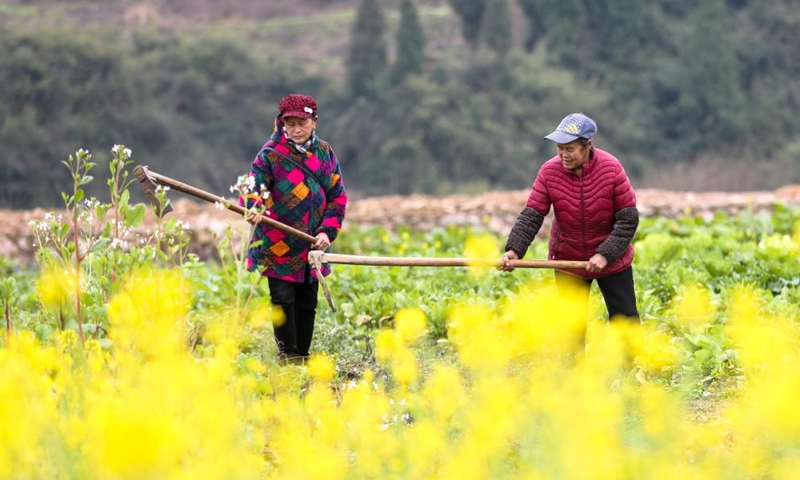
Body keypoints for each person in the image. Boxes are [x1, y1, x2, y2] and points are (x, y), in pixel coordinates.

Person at [500, 113, 639, 324]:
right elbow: (532, 215)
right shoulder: (549, 172)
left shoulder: (612, 169)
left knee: (625, 320)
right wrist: (514, 250)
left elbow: (628, 220)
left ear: (588, 145)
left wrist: (604, 254)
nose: (563, 154)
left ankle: (630, 359)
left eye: (570, 149)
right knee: (570, 327)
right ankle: (572, 360)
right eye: (559, 148)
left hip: (612, 259)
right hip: (568, 257)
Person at [242, 93, 347, 362]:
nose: (296, 129)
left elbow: (337, 196)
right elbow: (254, 186)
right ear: (282, 123)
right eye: (290, 123)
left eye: (302, 122)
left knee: (307, 303)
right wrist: (253, 206)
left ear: (314, 122)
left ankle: (303, 354)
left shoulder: (325, 152)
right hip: (277, 241)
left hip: (313, 243)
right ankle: (287, 356)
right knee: (282, 299)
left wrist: (326, 232)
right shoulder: (270, 155)